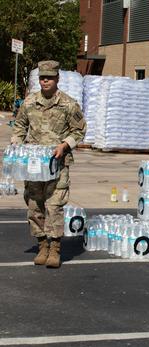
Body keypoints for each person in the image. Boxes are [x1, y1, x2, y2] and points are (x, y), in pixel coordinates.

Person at [11, 60, 86, 268]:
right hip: (34, 165)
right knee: (35, 205)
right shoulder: (29, 103)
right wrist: (16, 144)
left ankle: (55, 249)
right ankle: (42, 244)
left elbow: (79, 130)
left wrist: (65, 145)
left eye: (49, 77)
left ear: (57, 79)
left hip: (57, 164)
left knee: (54, 206)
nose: (45, 81)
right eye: (42, 77)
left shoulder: (69, 104)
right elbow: (19, 126)